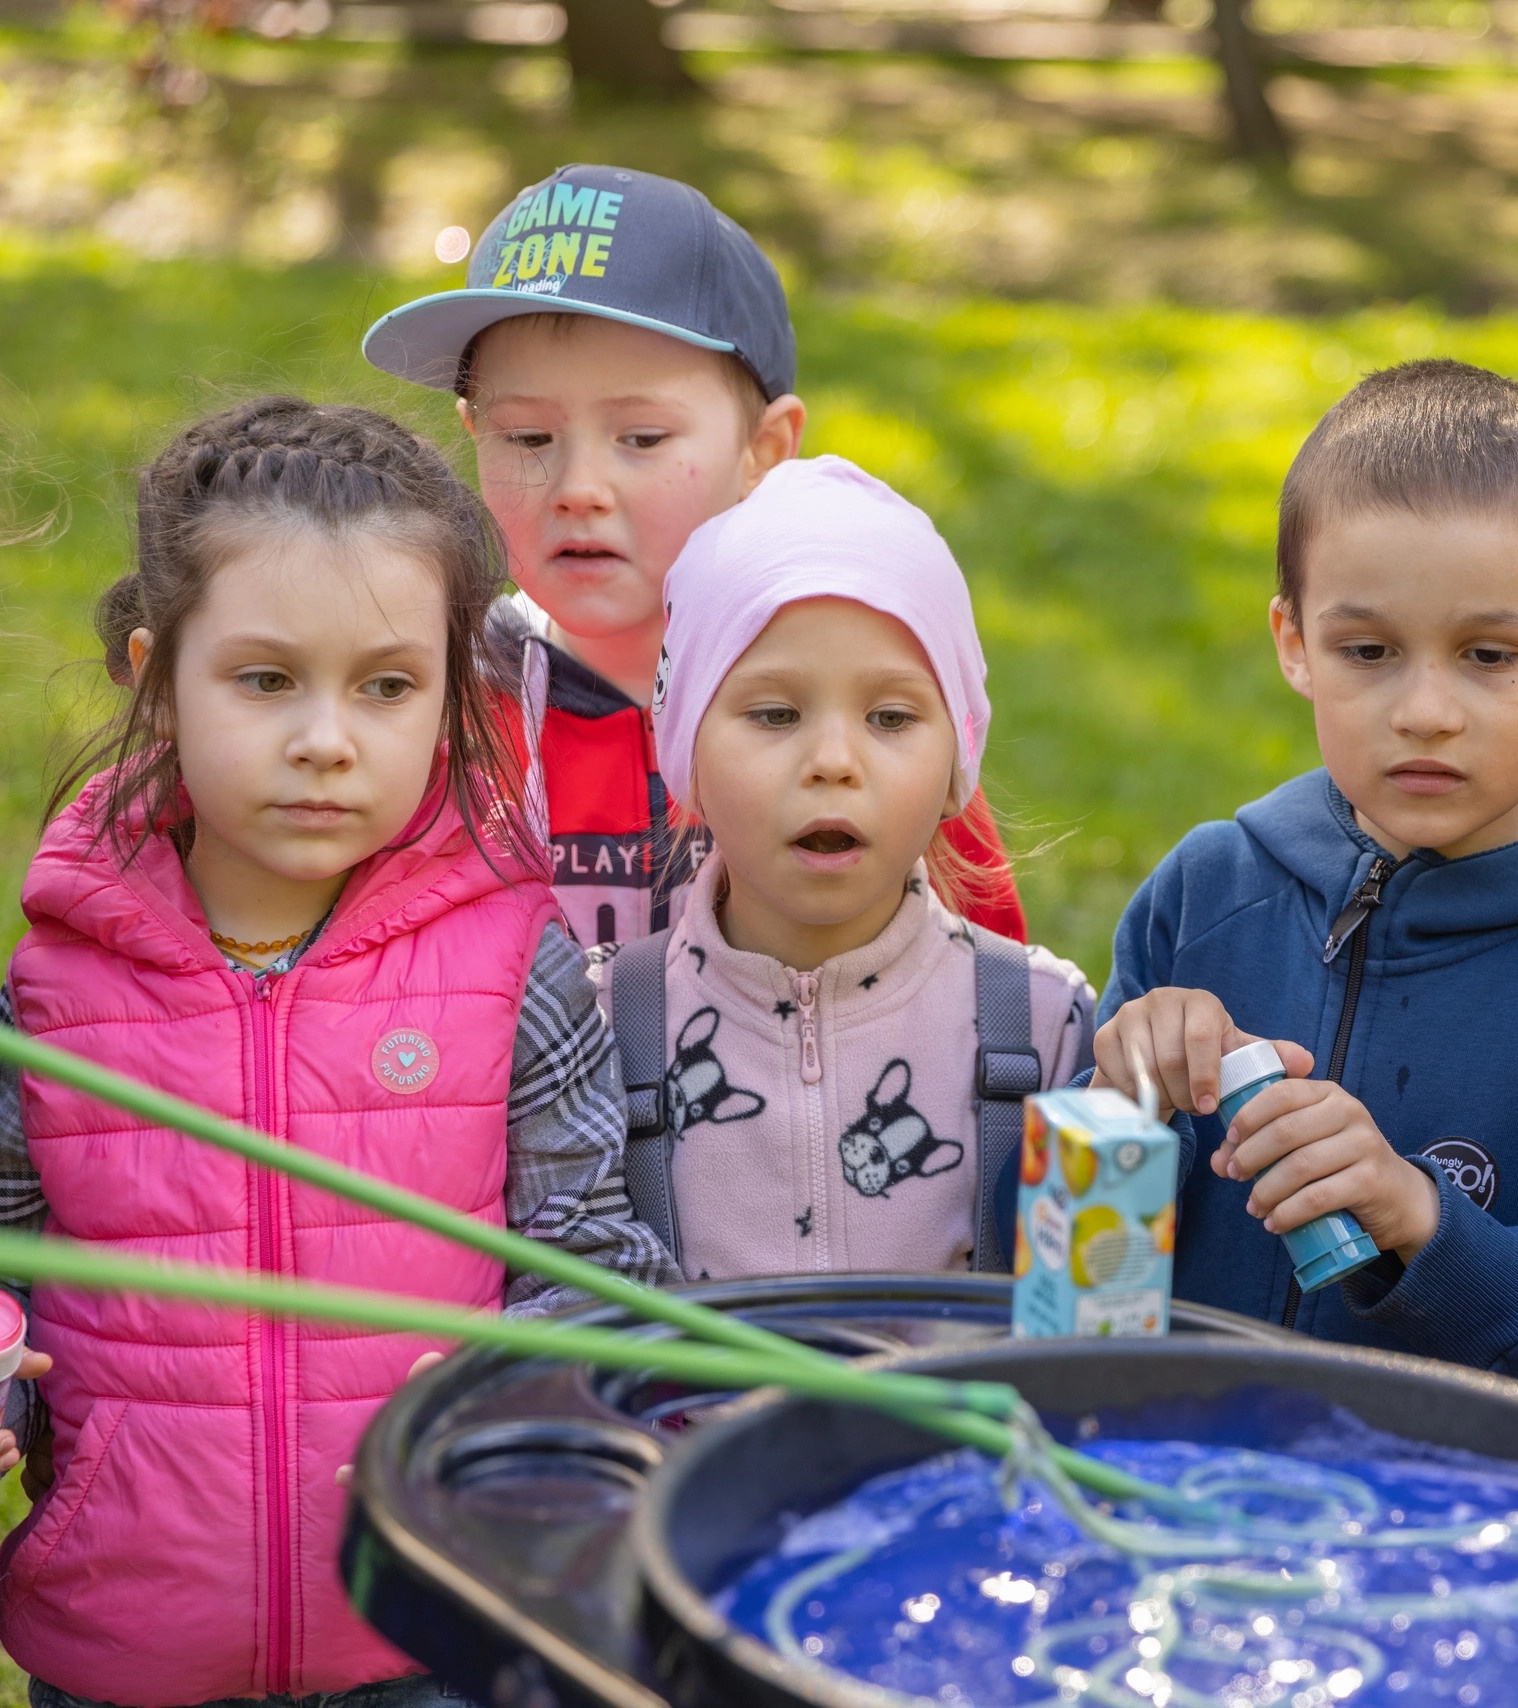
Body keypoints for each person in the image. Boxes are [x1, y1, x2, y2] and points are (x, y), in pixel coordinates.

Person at [0, 397, 677, 1708]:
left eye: (385, 686)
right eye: (266, 680)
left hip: (432, 1633)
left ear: (449, 695)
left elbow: (595, 1262)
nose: (327, 738)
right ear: (154, 673)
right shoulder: (56, 988)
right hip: (125, 1656)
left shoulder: (510, 964)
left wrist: (520, 1386)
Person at [1083, 359, 1518, 1432]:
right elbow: (1073, 1297)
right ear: (1295, 642)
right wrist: (1115, 1120)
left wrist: (1423, 1220)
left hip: (1442, 1561)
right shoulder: (1201, 897)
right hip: (1157, 1494)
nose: (1425, 710)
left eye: (1488, 654)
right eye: (1368, 650)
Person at [360, 163, 1026, 950]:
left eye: (641, 439)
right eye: (528, 438)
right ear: (476, 434)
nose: (578, 488)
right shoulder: (436, 713)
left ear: (764, 451)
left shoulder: (873, 717)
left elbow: (991, 1007)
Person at [600, 455, 1093, 1282]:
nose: (833, 760)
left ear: (955, 763)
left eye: (891, 717)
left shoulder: (1046, 1027)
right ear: (685, 750)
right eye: (775, 714)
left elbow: (1093, 1344)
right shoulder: (597, 1029)